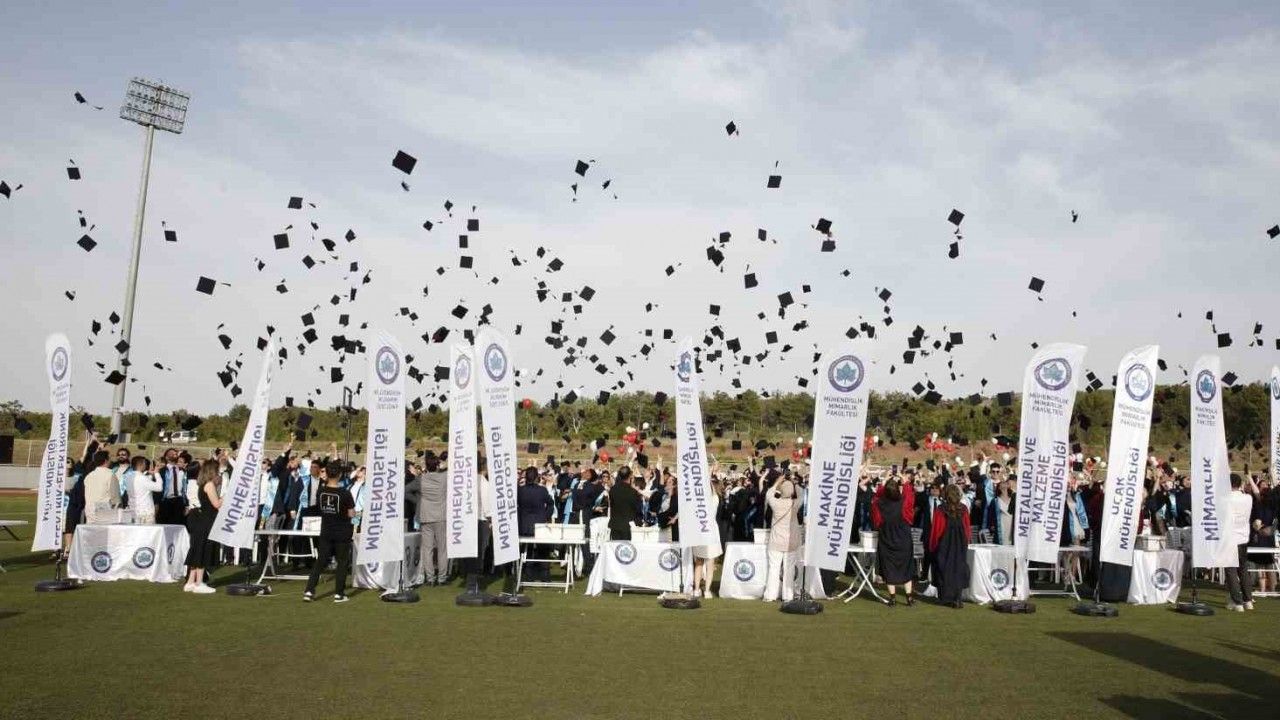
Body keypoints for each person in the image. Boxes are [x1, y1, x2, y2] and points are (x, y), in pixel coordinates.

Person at [304, 461, 356, 602]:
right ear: (339, 475)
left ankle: (309, 591)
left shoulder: (321, 491)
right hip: (341, 532)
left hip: (326, 531)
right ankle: (339, 593)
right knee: (342, 562)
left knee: (320, 561)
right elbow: (351, 513)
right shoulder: (345, 493)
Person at [872, 477, 916, 606]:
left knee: (889, 568)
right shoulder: (903, 502)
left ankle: (892, 598)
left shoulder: (878, 503)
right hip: (903, 539)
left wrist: (882, 484)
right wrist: (905, 482)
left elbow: (876, 518)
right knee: (906, 567)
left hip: (887, 538)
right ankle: (909, 598)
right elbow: (910, 496)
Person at [929, 485, 971, 608]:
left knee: (944, 568)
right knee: (958, 567)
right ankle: (957, 598)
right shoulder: (963, 509)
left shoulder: (941, 509)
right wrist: (966, 541)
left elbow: (937, 529)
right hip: (959, 542)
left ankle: (945, 597)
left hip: (945, 542)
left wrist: (933, 545)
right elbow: (967, 528)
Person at [183, 459, 221, 594]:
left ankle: (190, 582)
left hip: (201, 519)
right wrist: (226, 497)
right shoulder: (209, 485)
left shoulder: (202, 484)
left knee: (196, 549)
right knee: (202, 550)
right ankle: (199, 583)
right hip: (206, 520)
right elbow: (216, 504)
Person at [762, 474, 800, 602]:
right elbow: (802, 494)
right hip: (791, 542)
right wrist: (795, 483)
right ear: (792, 492)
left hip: (776, 541)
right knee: (789, 570)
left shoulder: (776, 503)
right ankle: (788, 595)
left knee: (773, 569)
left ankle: (770, 595)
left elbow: (769, 493)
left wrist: (777, 482)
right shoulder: (795, 503)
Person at [412, 454, 448, 586]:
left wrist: (419, 501)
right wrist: (443, 464)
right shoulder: (445, 477)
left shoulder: (421, 479)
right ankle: (442, 577)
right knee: (442, 548)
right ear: (437, 465)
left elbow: (407, 491)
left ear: (426, 466)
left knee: (427, 549)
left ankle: (430, 578)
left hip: (426, 516)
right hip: (441, 516)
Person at [1224, 473, 1256, 611]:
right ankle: (1248, 600)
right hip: (1243, 537)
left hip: (1230, 538)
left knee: (1231, 570)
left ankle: (1237, 602)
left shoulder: (1226, 499)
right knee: (1243, 569)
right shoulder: (1247, 498)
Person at [82, 450, 119, 524]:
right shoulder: (110, 474)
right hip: (105, 513)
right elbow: (116, 498)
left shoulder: (89, 476)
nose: (111, 461)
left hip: (90, 513)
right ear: (106, 461)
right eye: (110, 459)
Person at [607, 467, 643, 541]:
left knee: (615, 547)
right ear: (630, 476)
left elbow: (611, 504)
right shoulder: (633, 492)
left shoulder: (612, 490)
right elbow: (637, 509)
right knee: (626, 547)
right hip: (627, 526)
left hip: (615, 524)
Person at [154, 448, 188, 525]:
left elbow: (185, 488)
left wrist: (186, 504)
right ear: (166, 457)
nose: (174, 454)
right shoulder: (162, 471)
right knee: (165, 525)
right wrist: (156, 503)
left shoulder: (183, 471)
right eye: (171, 453)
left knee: (177, 525)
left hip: (179, 501)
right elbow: (157, 489)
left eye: (175, 453)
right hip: (165, 501)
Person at [125, 456, 162, 524]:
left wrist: (149, 473)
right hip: (145, 512)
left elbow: (143, 483)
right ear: (141, 465)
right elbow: (159, 487)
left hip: (133, 510)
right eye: (145, 463)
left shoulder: (128, 477)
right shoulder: (142, 478)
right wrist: (157, 473)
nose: (145, 466)